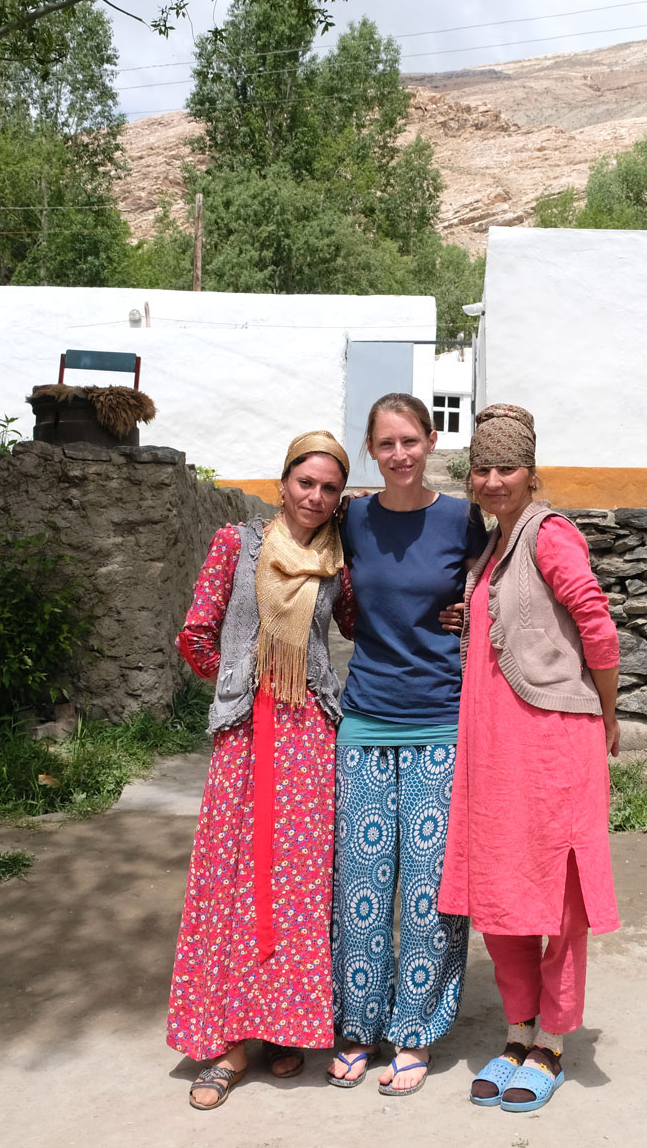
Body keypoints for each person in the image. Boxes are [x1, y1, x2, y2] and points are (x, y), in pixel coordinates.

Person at [439, 403, 621, 1114]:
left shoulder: (549, 535)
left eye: (505, 467)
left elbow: (594, 622)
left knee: (559, 901)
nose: (491, 480)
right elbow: (516, 622)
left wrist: (607, 709)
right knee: (504, 899)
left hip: (551, 747)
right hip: (495, 750)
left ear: (531, 472)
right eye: (481, 468)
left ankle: (550, 1041)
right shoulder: (494, 547)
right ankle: (515, 1033)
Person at [168, 430, 355, 1111]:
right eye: (305, 482)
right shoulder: (235, 544)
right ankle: (226, 1044)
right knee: (233, 879)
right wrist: (239, 683)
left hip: (309, 735)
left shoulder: (338, 559)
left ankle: (283, 1028)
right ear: (284, 483)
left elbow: (361, 622)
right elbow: (196, 631)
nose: (315, 496)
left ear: (339, 499)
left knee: (298, 885)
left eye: (329, 488)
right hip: (248, 735)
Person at [326, 393, 489, 1096]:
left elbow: (492, 593)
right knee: (362, 886)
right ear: (371, 450)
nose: (398, 454)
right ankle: (358, 1027)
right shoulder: (352, 517)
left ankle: (414, 1032)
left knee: (428, 891)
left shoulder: (460, 517)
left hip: (440, 723)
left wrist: (466, 620)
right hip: (364, 720)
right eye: (384, 443)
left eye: (409, 441)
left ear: (429, 440)